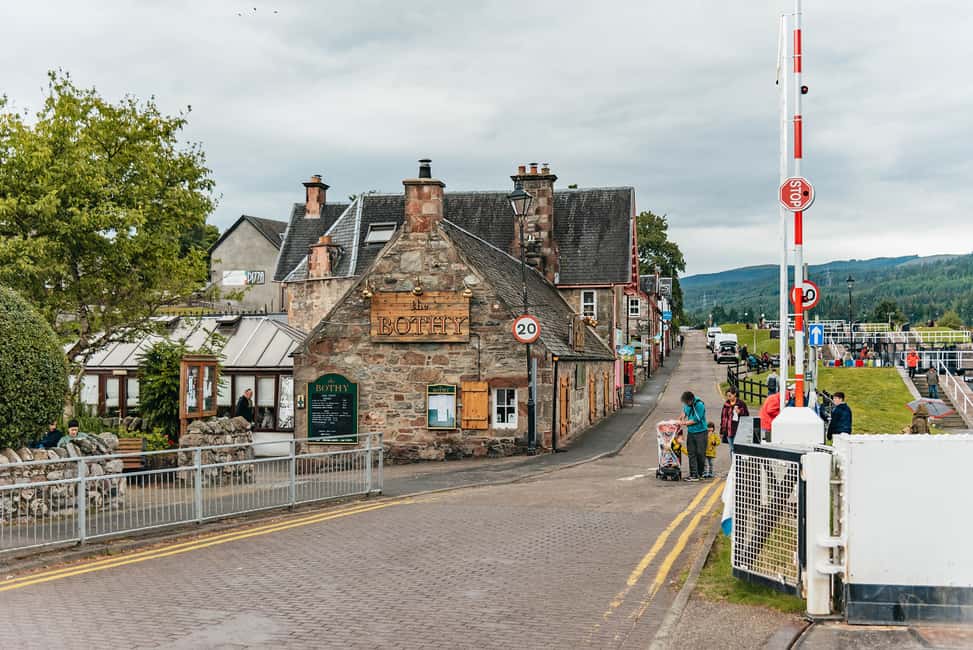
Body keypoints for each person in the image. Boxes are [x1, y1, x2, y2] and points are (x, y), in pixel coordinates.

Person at [678, 391, 708, 482]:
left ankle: (700, 473)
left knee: (700, 453)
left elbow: (696, 420)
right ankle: (693, 474)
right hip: (691, 432)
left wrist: (685, 423)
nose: (686, 404)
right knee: (691, 453)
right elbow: (684, 412)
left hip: (701, 432)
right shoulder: (687, 405)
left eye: (687, 402)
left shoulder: (699, 405)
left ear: (691, 400)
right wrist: (681, 417)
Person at [720, 388, 751, 454]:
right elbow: (723, 418)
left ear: (735, 394)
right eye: (727, 396)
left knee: (738, 450)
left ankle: (738, 463)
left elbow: (747, 415)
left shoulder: (741, 403)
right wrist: (722, 431)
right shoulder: (726, 405)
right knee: (732, 449)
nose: (728, 397)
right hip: (728, 431)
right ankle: (733, 463)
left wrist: (740, 412)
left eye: (730, 395)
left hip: (738, 430)